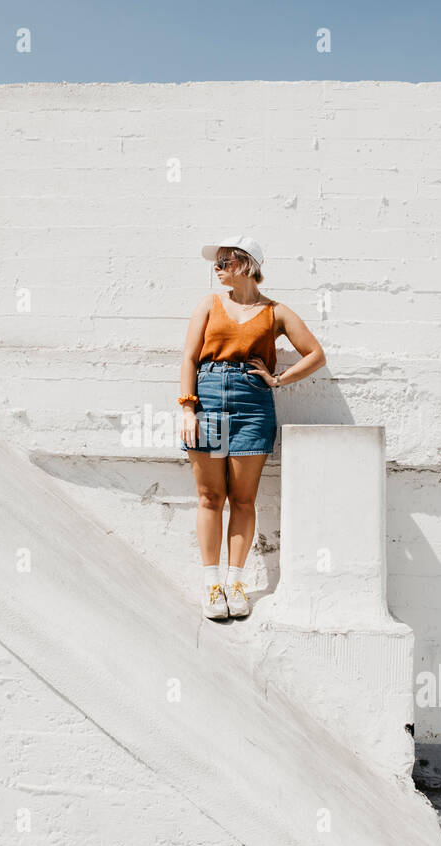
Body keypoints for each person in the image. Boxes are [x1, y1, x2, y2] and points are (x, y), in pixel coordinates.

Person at [178, 236, 326, 619]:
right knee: (211, 497)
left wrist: (279, 380)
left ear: (245, 264)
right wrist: (187, 408)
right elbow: (189, 359)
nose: (217, 267)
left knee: (243, 499)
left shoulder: (276, 313)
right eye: (217, 262)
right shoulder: (209, 305)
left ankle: (235, 582)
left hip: (252, 404)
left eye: (224, 261)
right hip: (208, 402)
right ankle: (212, 585)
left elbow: (316, 355)